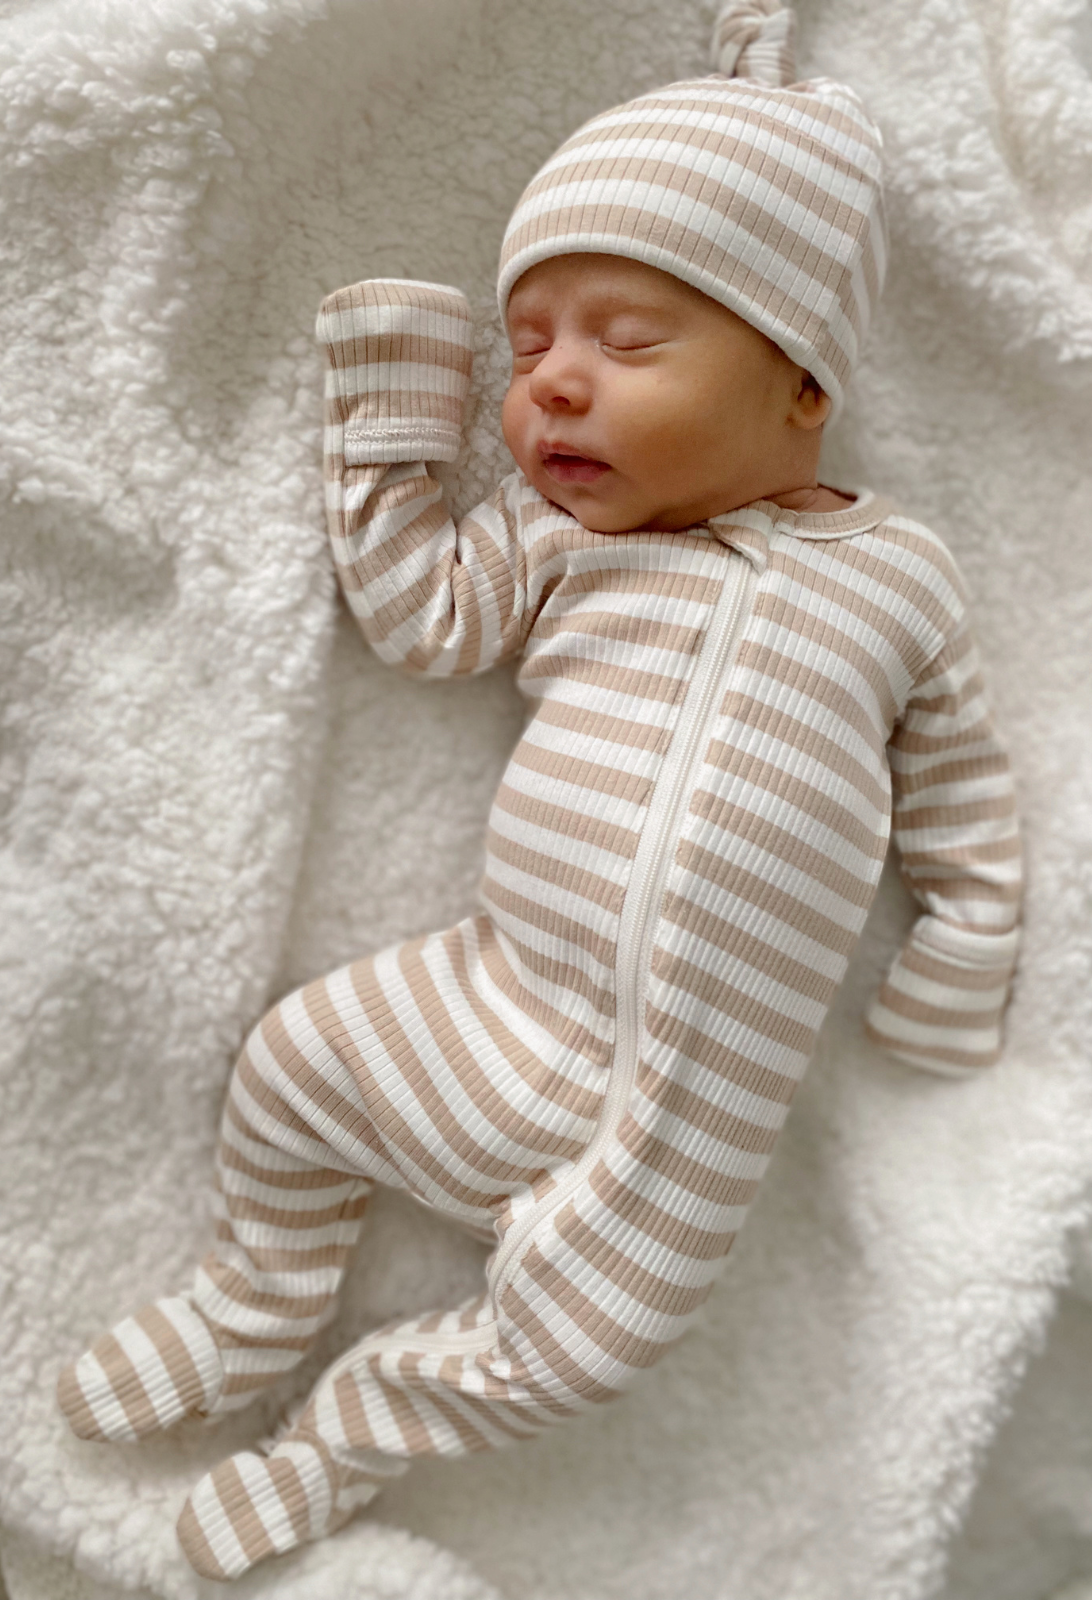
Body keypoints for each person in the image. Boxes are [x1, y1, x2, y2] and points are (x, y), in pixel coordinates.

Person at [57, 0, 1023, 1579]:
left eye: (627, 343)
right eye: (529, 349)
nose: (556, 386)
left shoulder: (900, 575)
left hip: (692, 1126)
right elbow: (423, 618)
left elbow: (961, 769)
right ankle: (252, 1306)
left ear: (802, 383)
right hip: (501, 1004)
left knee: (585, 1350)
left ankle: (343, 1440)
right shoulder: (564, 539)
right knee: (294, 1067)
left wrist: (968, 935)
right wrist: (398, 419)